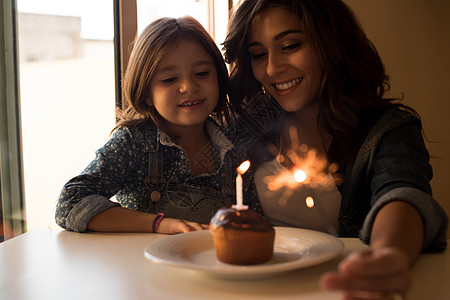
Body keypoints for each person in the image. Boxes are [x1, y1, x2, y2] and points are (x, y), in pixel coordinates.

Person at [223, 0, 448, 299]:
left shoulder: (386, 129)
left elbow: (402, 195)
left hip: (343, 287)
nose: (273, 68)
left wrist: (387, 255)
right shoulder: (245, 124)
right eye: (258, 55)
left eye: (290, 45)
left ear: (330, 43)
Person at [55, 16, 254, 234]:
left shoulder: (235, 144)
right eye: (169, 79)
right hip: (143, 266)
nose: (188, 86)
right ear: (147, 92)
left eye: (201, 73)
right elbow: (70, 202)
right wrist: (160, 224)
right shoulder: (134, 142)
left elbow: (256, 220)